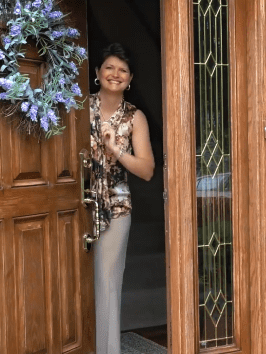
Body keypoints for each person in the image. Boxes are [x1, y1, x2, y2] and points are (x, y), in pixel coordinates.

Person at [90, 43, 155, 354]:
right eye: (109, 67)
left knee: (107, 282)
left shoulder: (135, 117)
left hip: (116, 210)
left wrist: (117, 152)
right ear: (97, 73)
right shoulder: (78, 108)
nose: (115, 74)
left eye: (123, 70)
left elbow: (146, 170)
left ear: (130, 80)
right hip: (73, 206)